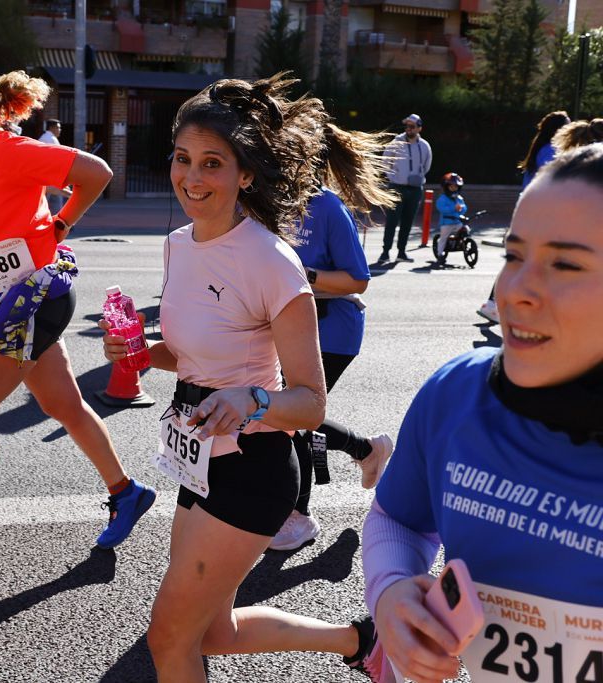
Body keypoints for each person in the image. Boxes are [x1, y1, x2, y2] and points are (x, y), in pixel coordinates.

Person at [102, 76, 381, 682]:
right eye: (182, 160)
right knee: (213, 634)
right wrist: (145, 352)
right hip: (198, 452)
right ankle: (358, 639)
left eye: (212, 164)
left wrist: (252, 399)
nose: (192, 179)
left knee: (169, 641)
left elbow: (309, 404)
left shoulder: (272, 262)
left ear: (245, 175)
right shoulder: (178, 244)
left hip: (252, 467)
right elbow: (195, 356)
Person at [362, 144, 603, 683]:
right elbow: (396, 518)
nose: (514, 291)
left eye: (564, 264)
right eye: (514, 256)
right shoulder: (458, 391)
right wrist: (392, 588)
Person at [0, 63, 156, 563]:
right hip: (5, 299)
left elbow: (96, 174)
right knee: (64, 406)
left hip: (35, 296)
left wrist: (60, 224)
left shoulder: (13, 152)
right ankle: (127, 493)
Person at [271, 119, 398, 552]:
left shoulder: (326, 206)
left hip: (333, 331)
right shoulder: (271, 200)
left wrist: (302, 275)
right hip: (290, 328)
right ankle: (365, 449)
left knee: (293, 416)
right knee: (290, 414)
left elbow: (358, 280)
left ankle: (297, 516)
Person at [479, 110, 571, 324]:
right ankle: (499, 303)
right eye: (566, 126)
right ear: (558, 130)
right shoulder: (551, 151)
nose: (570, 129)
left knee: (523, 261)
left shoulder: (541, 148)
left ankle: (496, 304)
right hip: (540, 213)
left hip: (530, 211)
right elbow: (556, 183)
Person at [378, 114, 432, 264]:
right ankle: (385, 252)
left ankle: (402, 252)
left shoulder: (425, 146)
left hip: (415, 189)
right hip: (396, 187)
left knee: (408, 222)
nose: (409, 129)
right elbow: (385, 161)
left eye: (412, 126)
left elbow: (427, 166)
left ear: (419, 128)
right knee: (391, 221)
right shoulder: (396, 143)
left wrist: (417, 177)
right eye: (407, 126)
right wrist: (393, 177)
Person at [433, 172, 467, 265]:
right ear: (446, 187)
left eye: (456, 187)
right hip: (446, 223)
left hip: (456, 221)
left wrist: (461, 209)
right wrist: (453, 208)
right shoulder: (443, 198)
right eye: (451, 187)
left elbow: (464, 207)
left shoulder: (459, 198)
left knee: (464, 228)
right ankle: (440, 255)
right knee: (443, 238)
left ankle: (460, 242)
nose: (454, 189)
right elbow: (441, 208)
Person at [38, 118, 70, 215]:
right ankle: (58, 222)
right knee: (52, 201)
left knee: (49, 202)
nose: (60, 130)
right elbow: (57, 160)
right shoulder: (50, 139)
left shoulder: (46, 137)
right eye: (58, 128)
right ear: (52, 128)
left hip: (47, 176)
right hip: (50, 177)